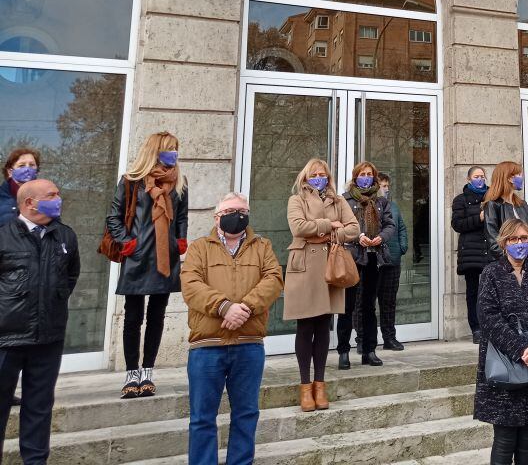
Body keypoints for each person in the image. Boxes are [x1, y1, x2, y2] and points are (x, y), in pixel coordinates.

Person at [180, 193, 284, 465]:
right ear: (217, 217)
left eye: (242, 210)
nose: (237, 215)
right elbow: (191, 285)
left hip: (249, 344)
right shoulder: (200, 247)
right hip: (207, 347)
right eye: (230, 210)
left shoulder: (263, 246)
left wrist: (245, 308)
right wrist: (225, 307)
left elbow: (273, 279)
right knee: (202, 418)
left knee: (246, 414)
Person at [0, 178, 79, 465]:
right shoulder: (4, 235)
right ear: (29, 202)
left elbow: (70, 277)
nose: (58, 199)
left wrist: (51, 307)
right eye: (52, 195)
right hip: (6, 339)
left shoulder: (65, 236)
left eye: (58, 193)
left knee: (40, 408)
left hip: (48, 338)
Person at [106, 131, 189, 398]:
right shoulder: (131, 180)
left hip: (166, 258)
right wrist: (127, 242)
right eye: (168, 149)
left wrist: (180, 240)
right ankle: (131, 374)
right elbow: (114, 216)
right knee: (133, 317)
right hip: (138, 257)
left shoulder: (179, 182)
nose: (173, 154)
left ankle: (148, 371)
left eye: (175, 149)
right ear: (155, 151)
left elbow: (182, 216)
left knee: (157, 316)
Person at [474, 219, 528, 465]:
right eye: (514, 239)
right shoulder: (491, 274)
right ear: (504, 243)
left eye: (524, 238)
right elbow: (489, 319)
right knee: (504, 441)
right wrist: (525, 352)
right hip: (505, 366)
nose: (519, 244)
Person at [284, 158, 359, 410]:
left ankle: (320, 384)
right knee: (305, 326)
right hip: (304, 266)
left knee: (324, 326)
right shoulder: (297, 200)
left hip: (330, 266)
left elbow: (353, 229)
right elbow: (298, 227)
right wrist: (329, 225)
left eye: (323, 174)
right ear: (306, 178)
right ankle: (305, 386)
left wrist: (327, 232)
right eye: (314, 174)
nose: (319, 178)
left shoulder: (338, 200)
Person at [345, 161, 395, 366]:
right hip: (353, 256)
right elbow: (342, 226)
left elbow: (390, 224)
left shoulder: (381, 200)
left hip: (375, 256)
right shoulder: (345, 200)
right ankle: (344, 351)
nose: (366, 177)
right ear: (355, 177)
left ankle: (369, 350)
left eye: (369, 174)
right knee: (349, 306)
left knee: (368, 306)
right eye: (362, 174)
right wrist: (358, 237)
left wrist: (381, 237)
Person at [454, 166, 491, 344]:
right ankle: (476, 328)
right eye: (476, 176)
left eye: (482, 176)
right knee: (473, 292)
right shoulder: (460, 200)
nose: (480, 179)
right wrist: (479, 218)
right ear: (469, 179)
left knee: (492, 292)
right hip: (471, 253)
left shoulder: (493, 197)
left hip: (490, 251)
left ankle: (491, 326)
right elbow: (458, 225)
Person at [378, 172, 408, 351]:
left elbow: (402, 228)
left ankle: (389, 338)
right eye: (383, 185)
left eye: (388, 186)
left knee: (389, 302)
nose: (386, 189)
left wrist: (402, 246)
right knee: (365, 303)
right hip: (373, 262)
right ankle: (362, 340)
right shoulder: (369, 206)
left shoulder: (394, 207)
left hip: (393, 260)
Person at [1, 147, 40, 227]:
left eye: (31, 165)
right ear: (10, 172)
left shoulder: (45, 198)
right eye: (22, 165)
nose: (27, 169)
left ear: (36, 171)